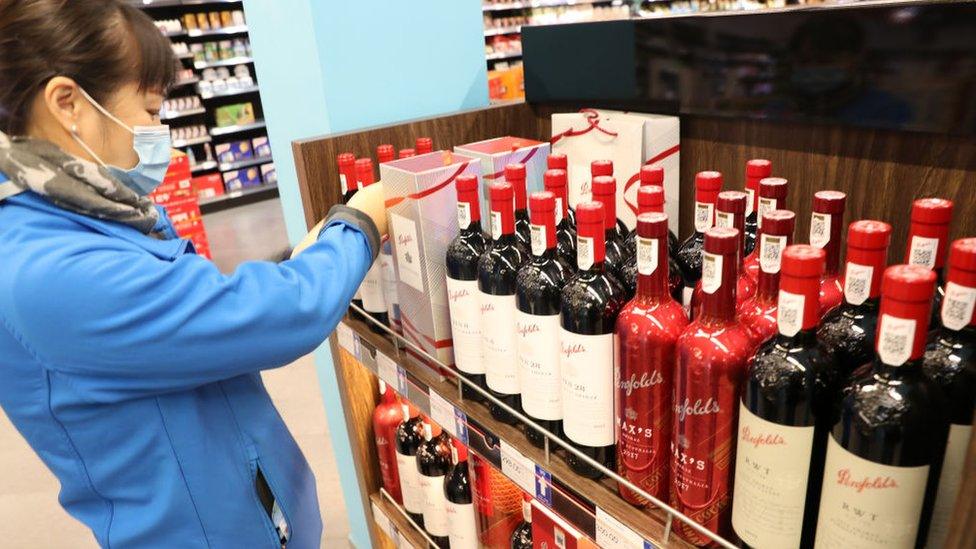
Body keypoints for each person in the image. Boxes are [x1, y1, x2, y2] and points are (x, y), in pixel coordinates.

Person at [0, 1, 386, 547]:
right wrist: (360, 223)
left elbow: (191, 305)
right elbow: (279, 318)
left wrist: (294, 263)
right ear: (68, 103)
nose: (162, 132)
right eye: (152, 110)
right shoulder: (48, 270)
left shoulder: (84, 209)